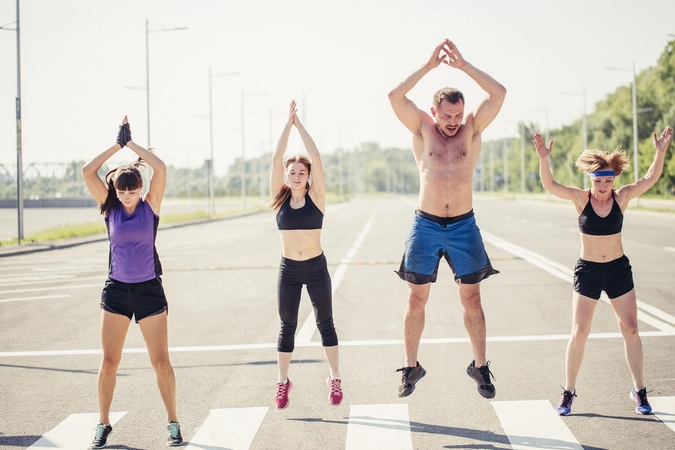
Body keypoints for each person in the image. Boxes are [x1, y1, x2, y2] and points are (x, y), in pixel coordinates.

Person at [388, 39, 506, 399]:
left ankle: (480, 366)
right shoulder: (422, 129)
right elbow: (395, 97)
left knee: (472, 299)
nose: (453, 122)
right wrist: (428, 67)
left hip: (463, 226)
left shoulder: (472, 129)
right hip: (425, 224)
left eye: (457, 115)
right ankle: (411, 367)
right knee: (415, 300)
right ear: (434, 111)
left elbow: (499, 93)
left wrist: (464, 66)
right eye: (447, 116)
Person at [533, 126, 673, 416]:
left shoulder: (621, 198)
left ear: (614, 179)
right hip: (588, 272)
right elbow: (551, 185)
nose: (604, 185)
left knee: (631, 329)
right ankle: (568, 392)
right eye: (599, 179)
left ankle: (639, 390)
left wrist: (660, 153)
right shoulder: (581, 199)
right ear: (591, 178)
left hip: (618, 270)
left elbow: (649, 178)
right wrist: (544, 159)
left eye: (608, 179)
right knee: (579, 332)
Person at [81, 116, 182, 447]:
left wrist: (132, 144)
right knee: (109, 361)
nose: (127, 196)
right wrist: (117, 144)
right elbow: (87, 171)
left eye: (132, 190)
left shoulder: (150, 206)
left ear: (141, 188)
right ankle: (103, 422)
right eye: (122, 191)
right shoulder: (109, 207)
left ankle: (173, 422)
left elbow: (161, 168)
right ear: (115, 189)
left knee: (161, 362)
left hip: (150, 290)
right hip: (117, 292)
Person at [269, 100, 343, 409]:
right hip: (289, 269)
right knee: (287, 326)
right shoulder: (279, 198)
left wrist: (300, 126)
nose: (296, 174)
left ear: (308, 175)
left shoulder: (317, 197)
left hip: (315, 267)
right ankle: (282, 382)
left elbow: (316, 156)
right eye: (292, 171)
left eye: (301, 172)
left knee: (325, 322)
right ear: (286, 176)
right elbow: (275, 159)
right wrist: (287, 126)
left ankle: (334, 377)